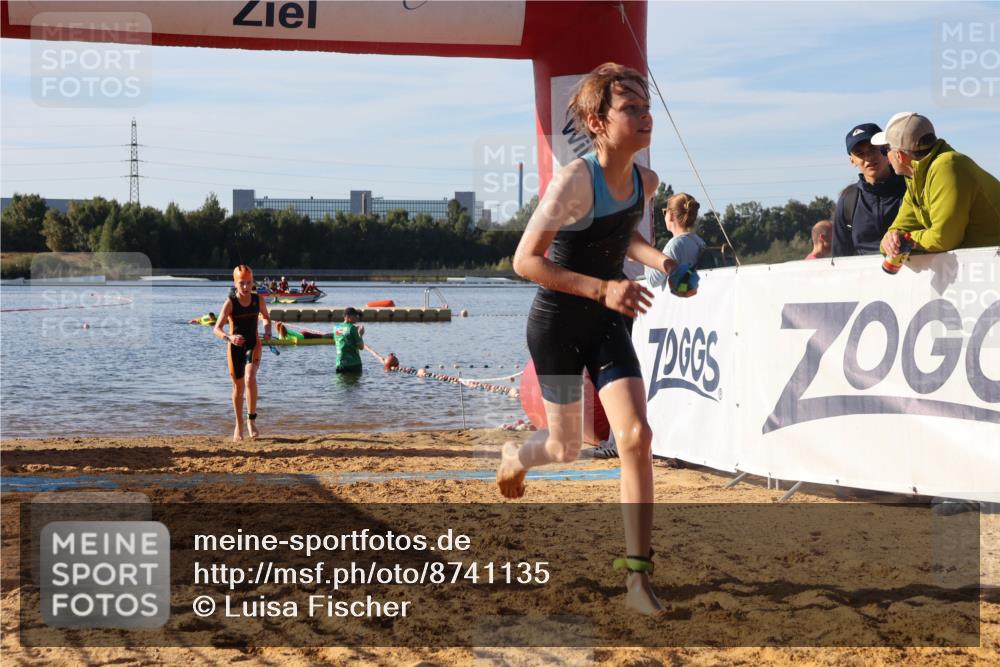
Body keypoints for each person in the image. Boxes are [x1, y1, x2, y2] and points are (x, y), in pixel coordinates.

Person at [496, 62, 684, 616]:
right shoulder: (574, 178)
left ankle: (637, 579)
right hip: (556, 322)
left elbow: (621, 237)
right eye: (630, 109)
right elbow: (524, 261)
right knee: (565, 446)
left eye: (646, 107)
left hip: (606, 325)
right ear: (598, 123)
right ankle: (517, 456)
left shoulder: (646, 182)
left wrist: (663, 262)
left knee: (635, 436)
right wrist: (602, 289)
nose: (645, 116)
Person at [872, 112, 1000, 256]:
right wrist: (890, 241)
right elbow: (898, 230)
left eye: (885, 150)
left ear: (899, 155)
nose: (885, 157)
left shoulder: (946, 166)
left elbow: (944, 239)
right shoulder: (916, 175)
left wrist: (905, 240)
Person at [214, 265, 271, 442]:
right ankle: (239, 424)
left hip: (253, 345)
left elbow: (266, 318)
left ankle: (251, 421)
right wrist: (229, 337)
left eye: (249, 283)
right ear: (235, 283)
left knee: (250, 377)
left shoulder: (258, 300)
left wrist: (268, 330)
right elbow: (217, 328)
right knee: (238, 387)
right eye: (242, 283)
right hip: (235, 348)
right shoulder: (230, 303)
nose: (246, 287)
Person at [833, 123, 907, 256]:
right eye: (860, 153)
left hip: (916, 274)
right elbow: (839, 258)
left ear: (886, 148)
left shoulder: (910, 188)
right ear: (852, 160)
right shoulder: (848, 200)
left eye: (873, 149)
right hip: (865, 276)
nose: (868, 158)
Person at [645, 192, 705, 289]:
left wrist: (645, 259)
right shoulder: (699, 242)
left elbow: (653, 280)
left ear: (671, 215)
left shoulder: (674, 246)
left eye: (665, 212)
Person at [334, 307, 366, 373]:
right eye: (354, 316)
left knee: (341, 382)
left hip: (340, 363)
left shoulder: (336, 327)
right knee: (354, 382)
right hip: (353, 364)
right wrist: (360, 335)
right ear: (347, 316)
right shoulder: (352, 328)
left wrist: (354, 332)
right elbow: (361, 347)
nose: (356, 318)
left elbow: (345, 335)